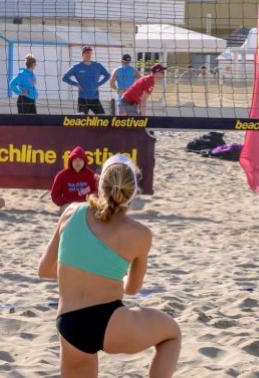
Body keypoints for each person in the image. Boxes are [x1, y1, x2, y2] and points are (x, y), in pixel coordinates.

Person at [37, 155, 181, 377]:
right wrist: (106, 276)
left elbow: (44, 270)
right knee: (171, 334)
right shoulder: (140, 234)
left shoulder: (70, 212)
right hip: (111, 321)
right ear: (133, 192)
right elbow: (132, 288)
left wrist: (80, 270)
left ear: (99, 184)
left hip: (70, 324)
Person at [62, 46, 111, 115]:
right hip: (82, 98)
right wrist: (76, 84)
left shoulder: (98, 66)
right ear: (83, 54)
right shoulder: (76, 67)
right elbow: (64, 77)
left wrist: (99, 84)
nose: (88, 54)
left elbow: (107, 75)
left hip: (94, 98)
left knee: (102, 117)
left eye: (90, 53)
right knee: (82, 120)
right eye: (87, 53)